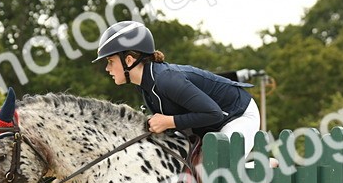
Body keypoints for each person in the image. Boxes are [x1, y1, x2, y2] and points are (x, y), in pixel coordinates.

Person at [94, 20, 260, 155]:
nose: (107, 69)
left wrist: (168, 121)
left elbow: (213, 113)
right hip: (210, 125)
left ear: (129, 60)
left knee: (219, 171)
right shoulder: (145, 84)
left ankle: (268, 178)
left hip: (237, 114)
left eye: (110, 62)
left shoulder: (166, 79)